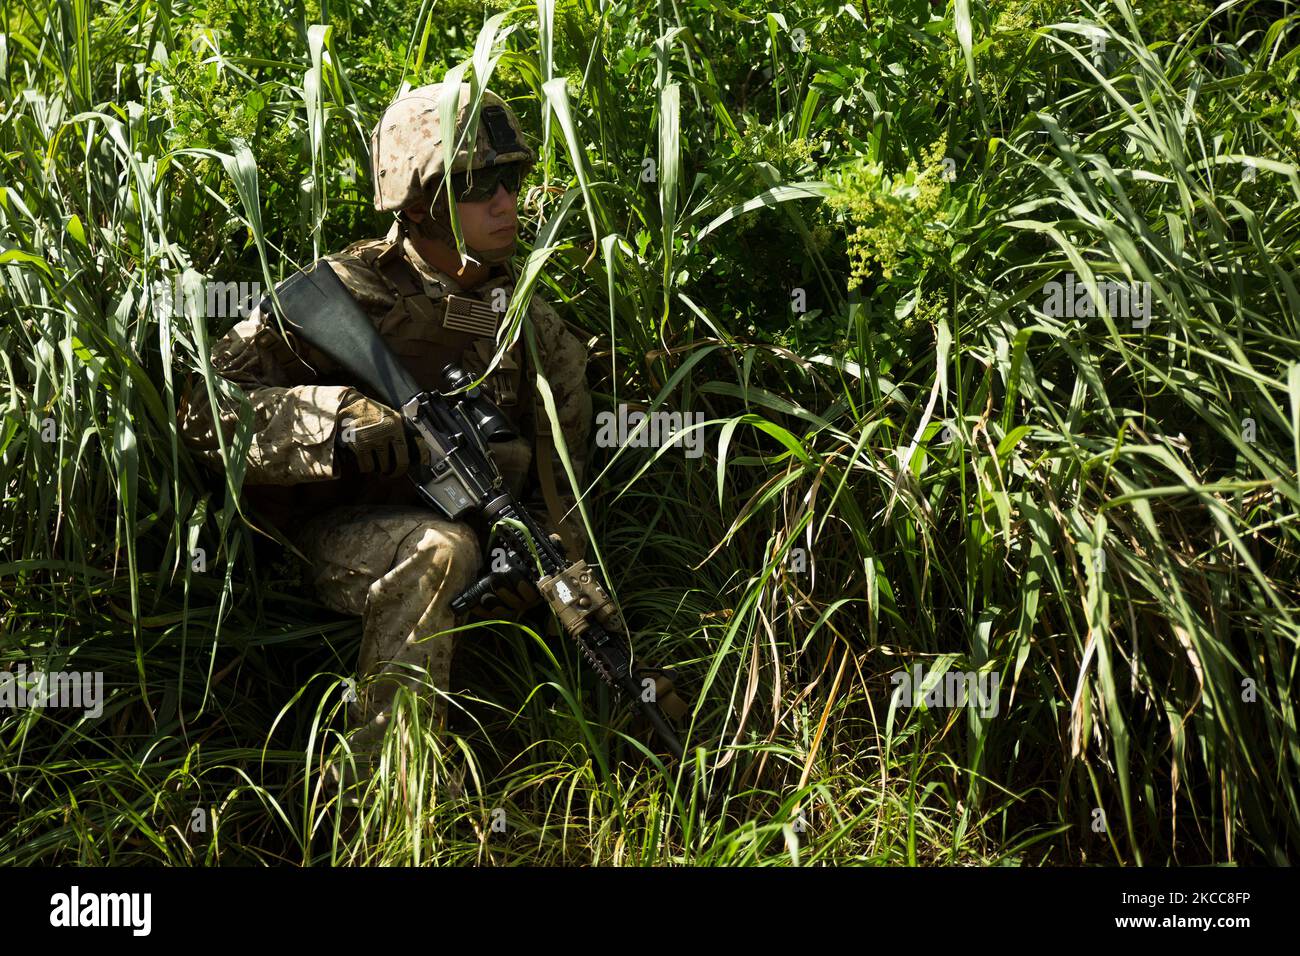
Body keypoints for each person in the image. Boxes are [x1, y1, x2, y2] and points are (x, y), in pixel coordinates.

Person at [178, 81, 593, 791]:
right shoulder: (345, 292)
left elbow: (568, 485)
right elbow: (206, 406)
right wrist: (335, 419)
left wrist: (565, 578)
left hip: (480, 541)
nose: (505, 201)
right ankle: (386, 788)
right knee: (439, 550)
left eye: (512, 178)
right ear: (419, 198)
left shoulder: (526, 321)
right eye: (476, 182)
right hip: (330, 538)